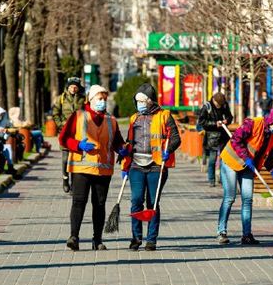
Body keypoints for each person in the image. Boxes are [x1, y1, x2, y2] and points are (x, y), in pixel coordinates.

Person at [58, 85, 128, 251]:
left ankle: (97, 240)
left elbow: (117, 141)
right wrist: (78, 145)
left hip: (103, 169)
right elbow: (63, 138)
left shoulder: (111, 120)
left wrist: (123, 149)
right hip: (81, 168)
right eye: (99, 98)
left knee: (99, 204)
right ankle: (74, 237)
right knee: (79, 202)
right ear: (91, 99)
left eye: (104, 99)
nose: (102, 101)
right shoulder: (78, 116)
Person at [121, 83, 181, 251]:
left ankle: (151, 239)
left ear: (150, 101)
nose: (139, 104)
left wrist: (168, 150)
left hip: (156, 166)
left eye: (142, 101)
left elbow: (176, 138)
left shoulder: (164, 116)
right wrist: (124, 159)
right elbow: (130, 142)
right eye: (137, 101)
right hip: (136, 166)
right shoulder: (134, 118)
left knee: (152, 202)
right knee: (136, 200)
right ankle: (136, 237)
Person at [217, 105, 273, 245]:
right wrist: (246, 157)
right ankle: (221, 232)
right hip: (231, 161)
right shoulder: (253, 123)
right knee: (230, 198)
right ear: (271, 121)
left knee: (248, 199)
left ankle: (247, 235)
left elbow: (267, 157)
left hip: (249, 166)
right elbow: (235, 140)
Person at [53, 77, 85, 193]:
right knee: (65, 159)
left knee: (75, 160)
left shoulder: (83, 99)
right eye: (71, 86)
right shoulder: (61, 98)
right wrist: (61, 124)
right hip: (65, 132)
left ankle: (73, 184)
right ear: (68, 87)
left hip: (78, 132)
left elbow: (87, 113)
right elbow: (55, 113)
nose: (73, 89)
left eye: (75, 87)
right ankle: (65, 179)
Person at [197, 93, 234, 187]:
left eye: (221, 104)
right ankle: (211, 179)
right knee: (212, 160)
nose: (219, 106)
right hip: (212, 136)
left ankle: (222, 179)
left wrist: (227, 121)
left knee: (224, 159)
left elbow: (230, 116)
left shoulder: (224, 104)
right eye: (218, 104)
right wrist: (215, 123)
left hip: (223, 135)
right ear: (213, 100)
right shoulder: (207, 107)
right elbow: (202, 122)